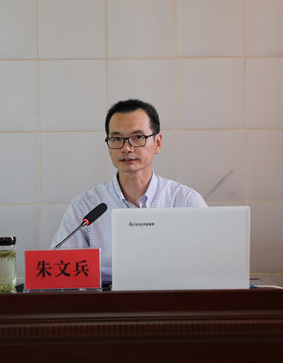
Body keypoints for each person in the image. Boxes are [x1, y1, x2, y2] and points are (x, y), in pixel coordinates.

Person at [50, 99, 207, 281]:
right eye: (117, 139)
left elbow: (209, 266)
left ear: (157, 143)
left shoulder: (186, 202)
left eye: (137, 137)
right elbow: (59, 271)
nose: (126, 148)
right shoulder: (85, 207)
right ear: (109, 147)